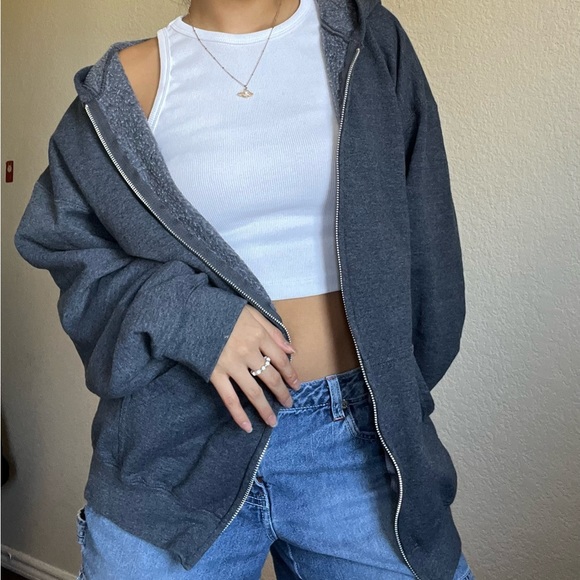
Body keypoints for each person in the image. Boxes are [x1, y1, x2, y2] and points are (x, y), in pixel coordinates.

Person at [13, 0, 474, 578]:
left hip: (356, 442)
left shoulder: (367, 40)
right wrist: (192, 318)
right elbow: (65, 247)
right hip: (173, 446)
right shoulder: (120, 88)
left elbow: (429, 237)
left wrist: (398, 394)